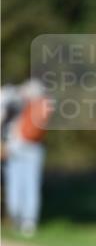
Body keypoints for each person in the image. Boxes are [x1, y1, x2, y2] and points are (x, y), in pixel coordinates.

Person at [1, 79, 51, 237]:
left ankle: (28, 222)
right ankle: (17, 219)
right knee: (15, 186)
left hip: (32, 148)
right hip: (14, 149)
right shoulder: (14, 100)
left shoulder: (40, 103)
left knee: (29, 186)